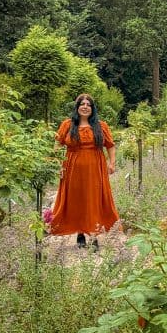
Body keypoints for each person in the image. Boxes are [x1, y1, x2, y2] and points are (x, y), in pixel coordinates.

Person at [51, 93, 119, 249]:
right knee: (77, 200)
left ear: (92, 108)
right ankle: (80, 233)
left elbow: (110, 145)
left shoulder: (101, 126)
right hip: (72, 169)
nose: (85, 106)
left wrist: (112, 163)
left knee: (93, 199)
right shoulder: (67, 125)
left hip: (96, 168)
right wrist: (57, 165)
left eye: (89, 104)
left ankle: (94, 234)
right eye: (82, 104)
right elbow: (57, 146)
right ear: (77, 107)